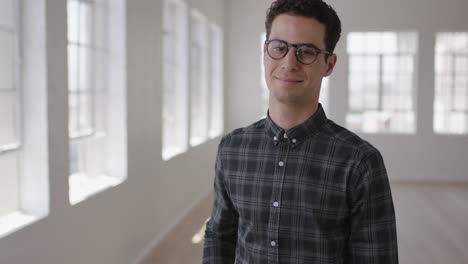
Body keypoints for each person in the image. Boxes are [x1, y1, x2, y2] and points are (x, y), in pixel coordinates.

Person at [203, 0, 398, 263]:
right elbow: (220, 236)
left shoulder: (360, 161)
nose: (289, 62)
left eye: (306, 51)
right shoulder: (232, 148)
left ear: (329, 64)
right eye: (279, 48)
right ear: (265, 53)